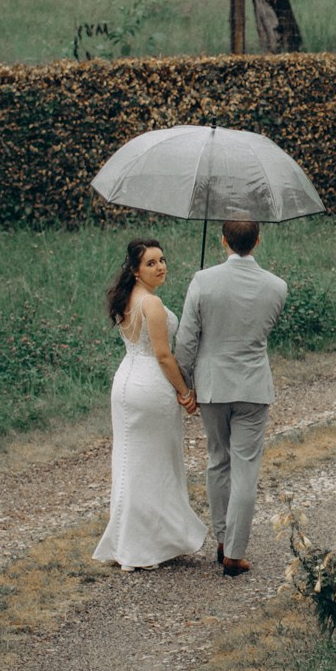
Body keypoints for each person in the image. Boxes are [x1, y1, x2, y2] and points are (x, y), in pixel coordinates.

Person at [174, 218, 287, 577]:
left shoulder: (202, 281)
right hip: (253, 386)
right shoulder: (277, 287)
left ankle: (222, 540)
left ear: (223, 241)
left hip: (212, 386)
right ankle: (235, 554)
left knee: (217, 460)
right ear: (257, 241)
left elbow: (186, 339)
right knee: (245, 468)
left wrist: (185, 384)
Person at [93, 238, 209, 572]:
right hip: (150, 386)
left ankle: (130, 542)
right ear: (135, 269)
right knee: (154, 462)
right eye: (151, 263)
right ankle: (143, 546)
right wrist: (185, 392)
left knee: (132, 461)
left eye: (162, 260)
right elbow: (163, 355)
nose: (160, 267)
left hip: (126, 382)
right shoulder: (151, 304)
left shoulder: (127, 298)